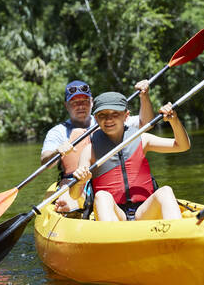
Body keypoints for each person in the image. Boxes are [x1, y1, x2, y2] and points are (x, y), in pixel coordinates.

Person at [70, 92, 191, 221]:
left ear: (126, 115)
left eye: (114, 114)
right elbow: (74, 195)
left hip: (144, 211)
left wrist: (174, 120)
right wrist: (80, 182)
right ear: (96, 118)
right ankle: (113, 238)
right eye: (102, 115)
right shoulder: (90, 151)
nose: (108, 119)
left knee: (166, 191)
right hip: (114, 213)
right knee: (102, 196)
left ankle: (174, 236)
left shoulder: (142, 139)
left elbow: (182, 146)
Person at [41, 80, 154, 212]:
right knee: (68, 199)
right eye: (75, 102)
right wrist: (57, 152)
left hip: (107, 180)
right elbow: (45, 161)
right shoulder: (57, 132)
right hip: (75, 181)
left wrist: (144, 97)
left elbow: (146, 124)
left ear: (92, 102)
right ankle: (73, 206)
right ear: (66, 105)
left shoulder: (108, 120)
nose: (80, 106)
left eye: (84, 101)